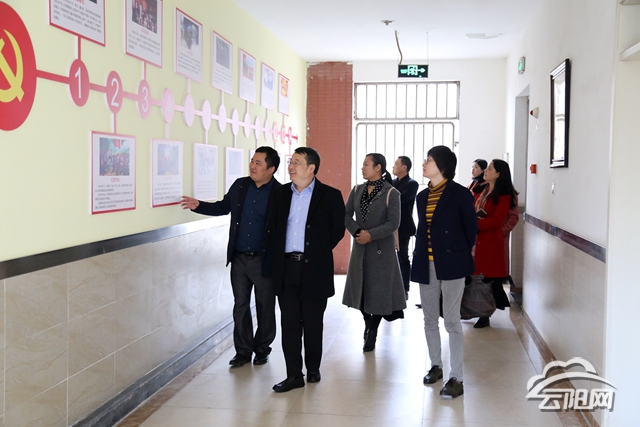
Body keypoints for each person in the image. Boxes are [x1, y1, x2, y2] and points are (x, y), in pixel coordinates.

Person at [180, 147, 280, 367]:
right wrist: (199, 206)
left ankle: (262, 349)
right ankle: (243, 352)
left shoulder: (280, 193)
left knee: (265, 306)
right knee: (240, 305)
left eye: (258, 163)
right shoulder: (240, 185)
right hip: (239, 258)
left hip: (264, 260)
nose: (252, 166)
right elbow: (224, 207)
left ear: (271, 169)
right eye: (252, 161)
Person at [268, 147, 346, 393]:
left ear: (311, 168)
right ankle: (294, 375)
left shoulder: (330, 195)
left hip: (315, 268)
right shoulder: (280, 194)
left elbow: (337, 230)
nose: (291, 167)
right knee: (290, 324)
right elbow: (272, 228)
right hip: (286, 267)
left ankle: (313, 368)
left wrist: (316, 251)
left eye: (297, 162)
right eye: (290, 162)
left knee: (313, 323)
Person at [411, 146, 477, 399]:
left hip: (452, 263)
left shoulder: (460, 194)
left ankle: (456, 377)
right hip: (425, 263)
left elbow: (470, 230)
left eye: (429, 160)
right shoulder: (421, 196)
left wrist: (457, 254)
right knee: (429, 319)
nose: (424, 163)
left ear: (442, 165)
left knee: (451, 321)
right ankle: (436, 365)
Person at [343, 154, 407, 352]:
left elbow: (393, 222)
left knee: (379, 292)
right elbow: (346, 214)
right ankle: (367, 322)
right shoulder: (357, 190)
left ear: (378, 167)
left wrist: (371, 235)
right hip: (360, 247)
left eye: (366, 164)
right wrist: (357, 232)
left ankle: (373, 330)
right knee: (360, 289)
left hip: (381, 250)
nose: (362, 168)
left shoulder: (391, 193)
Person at [472, 159, 518, 328]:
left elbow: (498, 220)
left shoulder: (504, 195)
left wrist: (474, 224)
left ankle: (484, 314)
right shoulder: (483, 189)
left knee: (487, 279)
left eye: (490, 169)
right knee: (476, 278)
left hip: (490, 241)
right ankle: (475, 309)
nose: (486, 171)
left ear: (498, 174)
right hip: (477, 240)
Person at [392, 156, 419, 299]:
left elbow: (399, 200)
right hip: (389, 226)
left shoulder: (412, 184)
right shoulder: (392, 182)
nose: (393, 166)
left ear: (404, 167)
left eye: (396, 164)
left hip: (403, 226)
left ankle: (404, 289)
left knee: (402, 257)